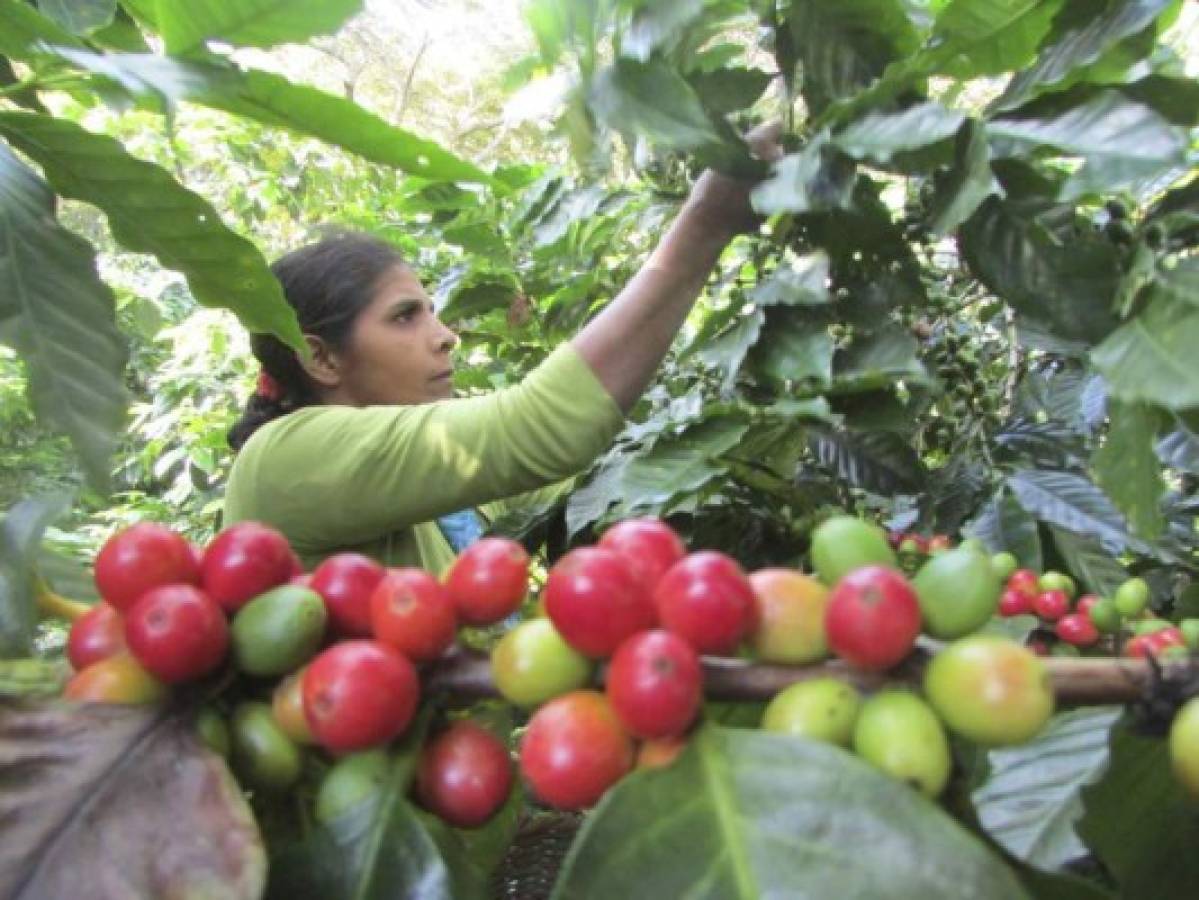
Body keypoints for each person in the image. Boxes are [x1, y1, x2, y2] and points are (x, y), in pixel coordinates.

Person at [223, 129, 781, 574]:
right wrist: (705, 222)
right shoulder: (285, 457)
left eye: (432, 310)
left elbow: (580, 470)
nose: (444, 335)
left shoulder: (411, 484)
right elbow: (539, 429)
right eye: (404, 317)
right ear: (320, 359)